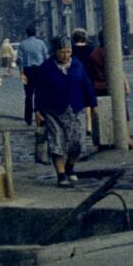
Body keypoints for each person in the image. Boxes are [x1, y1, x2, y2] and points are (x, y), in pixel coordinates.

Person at [34, 36, 97, 187]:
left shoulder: (77, 65)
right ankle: (61, 175)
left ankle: (70, 167)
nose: (65, 55)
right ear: (55, 51)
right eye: (62, 52)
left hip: (75, 108)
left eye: (68, 52)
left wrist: (93, 104)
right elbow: (39, 91)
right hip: (53, 110)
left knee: (78, 142)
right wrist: (37, 110)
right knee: (57, 142)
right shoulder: (46, 67)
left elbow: (86, 85)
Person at [87, 31, 133, 150]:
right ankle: (126, 138)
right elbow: (118, 70)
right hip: (113, 86)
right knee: (123, 113)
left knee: (103, 115)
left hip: (98, 87)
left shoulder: (94, 53)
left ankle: (103, 140)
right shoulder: (111, 52)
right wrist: (126, 84)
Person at [16, 25, 49, 126]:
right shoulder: (41, 43)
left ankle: (28, 118)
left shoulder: (22, 44)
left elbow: (20, 60)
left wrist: (21, 73)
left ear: (27, 33)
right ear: (35, 33)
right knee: (40, 94)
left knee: (28, 95)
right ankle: (41, 116)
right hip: (40, 70)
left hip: (28, 71)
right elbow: (46, 57)